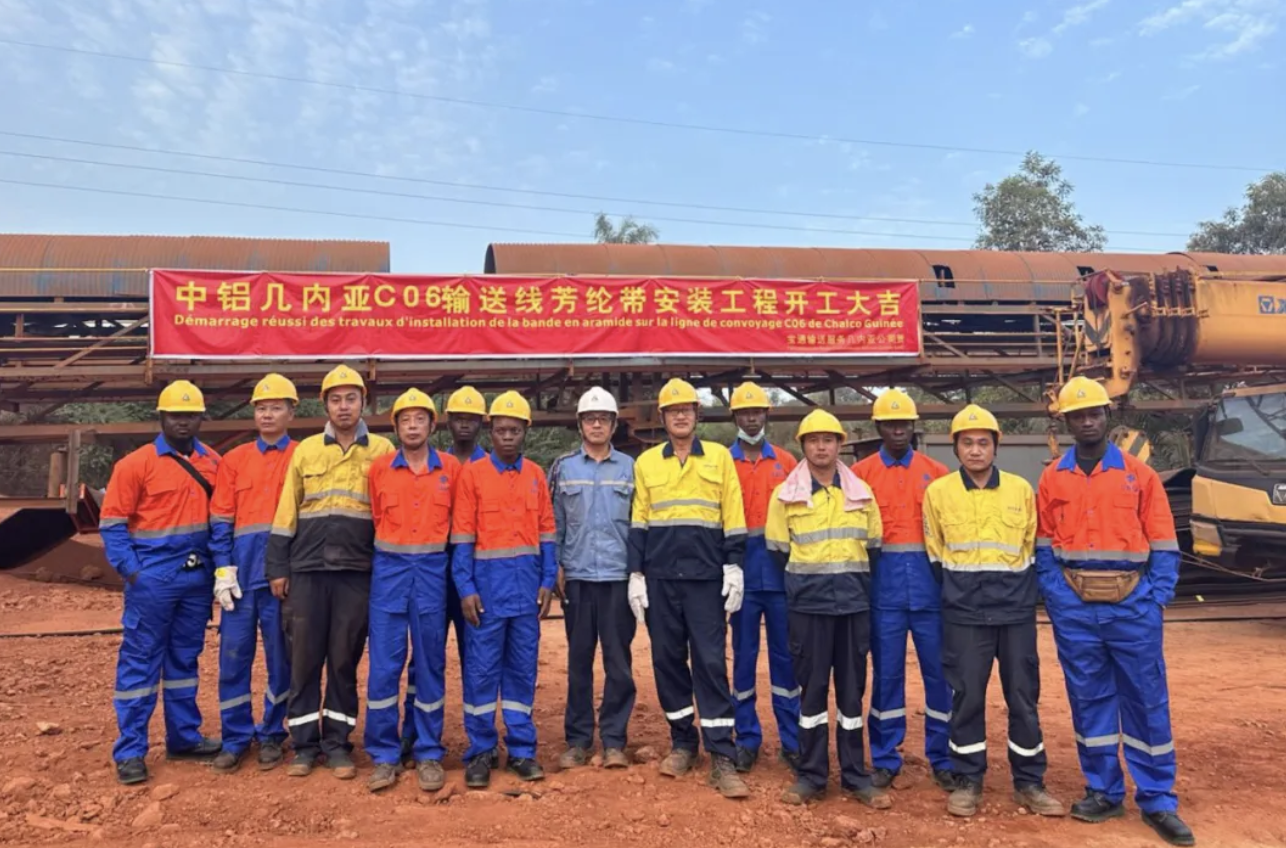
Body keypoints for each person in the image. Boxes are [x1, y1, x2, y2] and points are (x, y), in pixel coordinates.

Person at [1037, 377, 1193, 846]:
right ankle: (1103, 791)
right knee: (1089, 699)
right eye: (1078, 415)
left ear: (1107, 416)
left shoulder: (1139, 475)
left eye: (1094, 413)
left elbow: (1164, 542)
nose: (1087, 421)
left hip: (1133, 609)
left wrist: (1154, 598)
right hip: (1076, 610)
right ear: (1066, 421)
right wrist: (1058, 598)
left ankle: (1157, 798)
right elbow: (1043, 546)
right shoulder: (1053, 477)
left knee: (1146, 699)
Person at [922, 404, 1065, 819]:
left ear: (995, 447)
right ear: (956, 448)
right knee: (967, 697)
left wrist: (1017, 596)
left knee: (1022, 697)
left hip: (1015, 612)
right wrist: (961, 593)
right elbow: (936, 554)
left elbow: (1031, 548)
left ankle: (1029, 782)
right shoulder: (938, 493)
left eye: (983, 442)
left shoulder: (1020, 490)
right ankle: (968, 779)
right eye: (967, 443)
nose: (975, 450)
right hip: (964, 613)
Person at [266, 364, 394, 779]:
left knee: (343, 659)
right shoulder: (306, 450)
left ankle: (337, 744)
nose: (343, 406)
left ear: (363, 403)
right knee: (303, 661)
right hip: (307, 569)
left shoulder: (382, 450)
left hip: (357, 572)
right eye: (336, 399)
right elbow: (287, 510)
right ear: (325, 405)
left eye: (351, 399)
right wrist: (277, 566)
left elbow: (388, 513)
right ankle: (304, 747)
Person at [629, 378, 750, 799]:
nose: (680, 416)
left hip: (706, 580)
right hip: (661, 579)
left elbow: (733, 515)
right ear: (662, 417)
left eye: (687, 409)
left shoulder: (719, 457)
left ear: (697, 415)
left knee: (711, 662)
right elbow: (639, 521)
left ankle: (721, 753)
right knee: (667, 660)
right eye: (673, 410)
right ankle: (683, 742)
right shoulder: (646, 463)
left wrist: (734, 566)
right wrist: (635, 574)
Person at [100, 379, 222, 785]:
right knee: (141, 661)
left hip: (196, 579)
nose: (183, 422)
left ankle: (183, 738)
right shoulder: (135, 465)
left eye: (190, 415)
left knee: (184, 660)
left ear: (201, 418)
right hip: (152, 580)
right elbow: (113, 525)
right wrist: (134, 573)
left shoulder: (213, 462)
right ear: (162, 417)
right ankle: (131, 751)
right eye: (175, 415)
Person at [766, 410, 889, 809]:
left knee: (852, 695)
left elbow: (873, 547)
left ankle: (855, 776)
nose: (821, 447)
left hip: (853, 606)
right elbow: (777, 551)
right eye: (814, 440)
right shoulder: (785, 495)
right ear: (802, 445)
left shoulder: (862, 493)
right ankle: (811, 775)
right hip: (809, 608)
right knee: (813, 692)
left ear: (839, 445)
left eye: (828, 440)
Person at [452, 391, 557, 789]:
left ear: (525, 430)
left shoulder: (535, 475)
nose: (507, 437)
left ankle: (521, 751)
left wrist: (548, 581)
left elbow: (547, 532)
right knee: (481, 673)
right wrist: (465, 587)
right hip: (487, 595)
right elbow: (462, 537)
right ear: (490, 431)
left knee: (521, 671)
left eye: (514, 430)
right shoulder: (473, 475)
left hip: (526, 593)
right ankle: (480, 750)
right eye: (500, 430)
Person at [852, 389, 955, 791]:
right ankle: (884, 757)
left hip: (931, 595)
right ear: (879, 427)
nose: (898, 430)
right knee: (887, 677)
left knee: (939, 677)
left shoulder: (938, 473)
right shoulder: (859, 475)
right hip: (883, 596)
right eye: (891, 424)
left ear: (913, 426)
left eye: (904, 423)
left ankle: (943, 757)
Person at [366, 389, 462, 793]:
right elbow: (375, 517)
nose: (412, 426)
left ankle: (427, 752)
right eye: (405, 420)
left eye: (419, 419)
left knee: (429, 665)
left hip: (432, 578)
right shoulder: (380, 469)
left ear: (431, 425)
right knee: (384, 668)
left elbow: (459, 525)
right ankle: (384, 755)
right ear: (395, 427)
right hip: (388, 577)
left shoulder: (451, 469)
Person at [209, 374, 298, 774]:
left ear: (291, 413)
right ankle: (235, 738)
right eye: (261, 408)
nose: (267, 414)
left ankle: (272, 735)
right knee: (233, 661)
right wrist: (222, 569)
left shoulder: (303, 456)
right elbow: (221, 520)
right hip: (241, 582)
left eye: (276, 407)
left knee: (283, 663)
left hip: (282, 582)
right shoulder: (234, 460)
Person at [401, 384, 491, 766]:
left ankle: (480, 746)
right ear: (448, 422)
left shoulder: (492, 467)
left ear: (482, 423)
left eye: (472, 418)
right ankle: (412, 736)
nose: (465, 424)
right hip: (434, 575)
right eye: (459, 418)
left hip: (476, 580)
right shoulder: (434, 464)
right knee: (423, 659)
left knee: (478, 661)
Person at [550, 387, 637, 771]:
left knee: (618, 663)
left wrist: (638, 572)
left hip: (618, 577)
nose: (597, 424)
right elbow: (554, 522)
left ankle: (614, 740)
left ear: (614, 425)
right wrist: (555, 565)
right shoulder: (564, 468)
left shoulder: (630, 469)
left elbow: (639, 524)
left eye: (603, 419)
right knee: (579, 661)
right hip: (578, 578)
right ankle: (579, 740)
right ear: (580, 424)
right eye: (590, 418)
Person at [725, 381, 799, 774]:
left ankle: (793, 740)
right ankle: (747, 738)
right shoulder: (722, 463)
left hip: (782, 578)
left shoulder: (787, 462)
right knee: (744, 659)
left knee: (787, 661)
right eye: (744, 412)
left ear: (766, 415)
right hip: (742, 579)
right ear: (735, 417)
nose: (751, 418)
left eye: (757, 412)